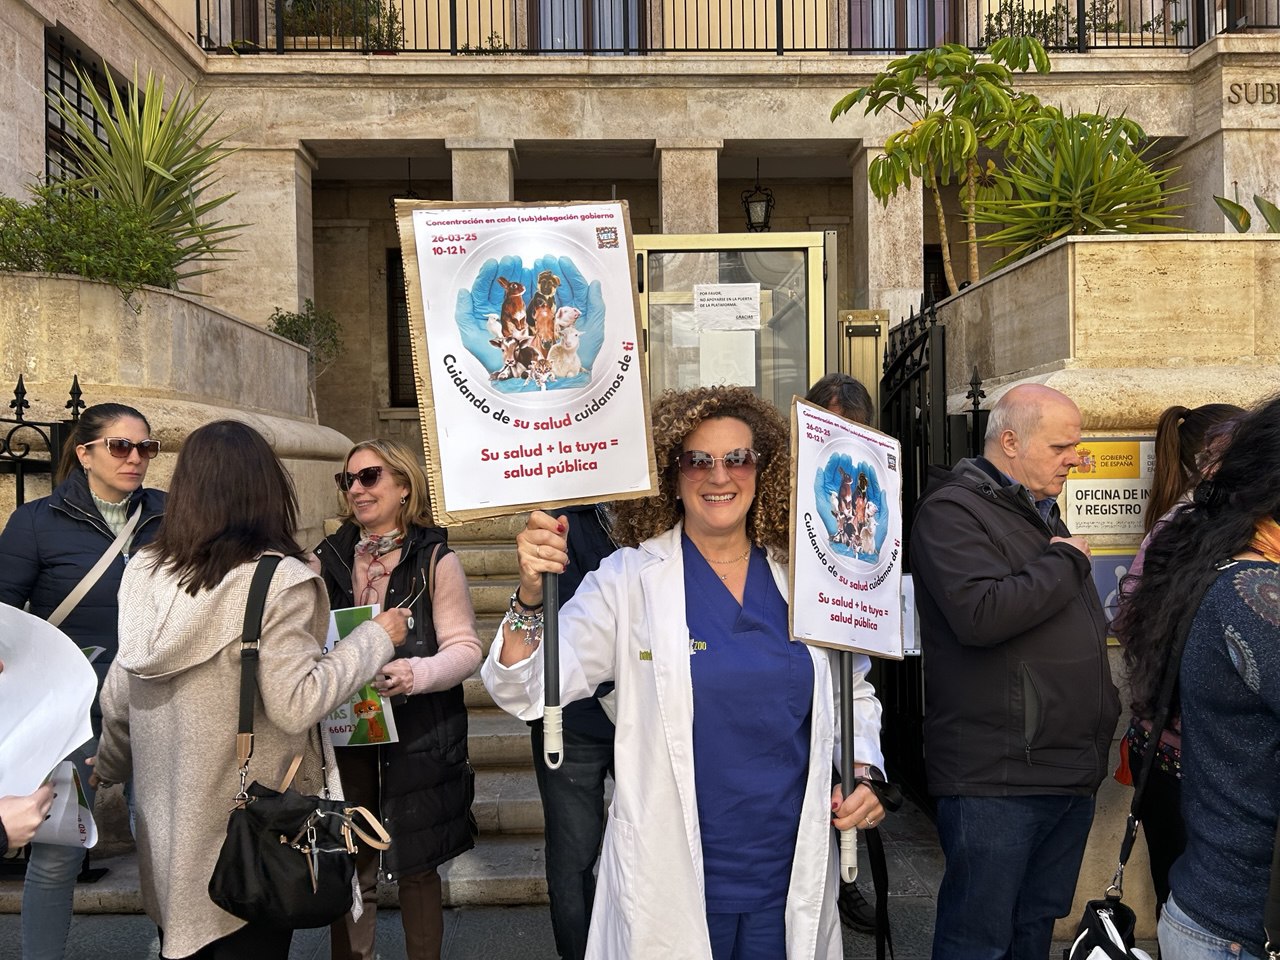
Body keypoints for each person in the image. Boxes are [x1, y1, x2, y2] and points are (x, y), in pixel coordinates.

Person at [483, 385, 886, 960]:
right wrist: (529, 596)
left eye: (737, 458)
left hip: (787, 869)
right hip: (670, 876)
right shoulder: (628, 579)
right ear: (672, 475)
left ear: (762, 470)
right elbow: (526, 688)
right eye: (698, 460)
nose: (719, 476)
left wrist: (864, 772)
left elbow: (850, 691)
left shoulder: (808, 576)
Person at [92, 420, 411, 960]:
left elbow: (119, 693)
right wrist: (376, 639)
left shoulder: (145, 570)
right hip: (247, 839)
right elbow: (297, 703)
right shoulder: (278, 581)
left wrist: (110, 766)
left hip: (167, 835)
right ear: (266, 487)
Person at [909, 382, 1120, 960]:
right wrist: (1066, 560)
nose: (1074, 459)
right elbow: (980, 614)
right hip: (997, 776)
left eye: (1075, 446)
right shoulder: (953, 510)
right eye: (1060, 447)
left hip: (1064, 769)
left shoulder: (1037, 511)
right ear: (1010, 441)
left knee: (1033, 930)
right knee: (977, 939)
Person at [1111, 394, 1280, 960]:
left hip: (1212, 889)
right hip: (1234, 916)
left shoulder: (1209, 541)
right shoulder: (1253, 589)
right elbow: (1128, 619)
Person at [0, 402, 166, 960]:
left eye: (146, 448)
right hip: (73, 708)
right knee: (56, 853)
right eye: (121, 446)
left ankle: (175, 946)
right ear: (85, 453)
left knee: (166, 845)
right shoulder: (36, 521)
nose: (136, 458)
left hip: (157, 698)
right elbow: (3, 613)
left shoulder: (173, 514)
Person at [314, 438, 482, 960]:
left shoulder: (435, 559)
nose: (356, 489)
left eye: (369, 477)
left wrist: (415, 673)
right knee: (351, 859)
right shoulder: (325, 558)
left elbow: (466, 649)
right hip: (346, 728)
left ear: (404, 486)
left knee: (416, 865)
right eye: (348, 480)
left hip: (419, 729)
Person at [1115, 402, 1242, 919]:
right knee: (1195, 913)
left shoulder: (1192, 524)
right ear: (1212, 462)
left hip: (1176, 749)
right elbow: (1131, 621)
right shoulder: (1193, 528)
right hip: (1191, 752)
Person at [522, 502, 617, 960]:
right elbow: (560, 621)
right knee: (573, 853)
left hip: (648, 707)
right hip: (573, 715)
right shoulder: (564, 514)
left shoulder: (669, 506)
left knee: (660, 838)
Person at [804, 372, 881, 935]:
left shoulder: (872, 486)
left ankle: (846, 882)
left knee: (846, 787)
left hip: (842, 648)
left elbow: (855, 684)